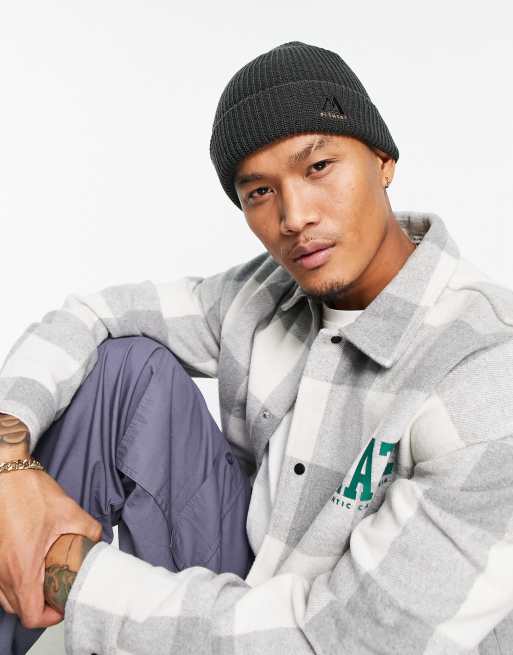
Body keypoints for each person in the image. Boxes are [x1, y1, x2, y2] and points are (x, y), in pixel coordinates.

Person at [0, 39, 512, 655]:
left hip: (341, 637)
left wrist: (79, 576)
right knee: (123, 372)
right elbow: (90, 314)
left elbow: (345, 642)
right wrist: (8, 471)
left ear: (383, 161)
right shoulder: (264, 295)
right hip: (245, 587)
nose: (294, 217)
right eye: (260, 192)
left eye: (318, 167)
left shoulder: (487, 373)